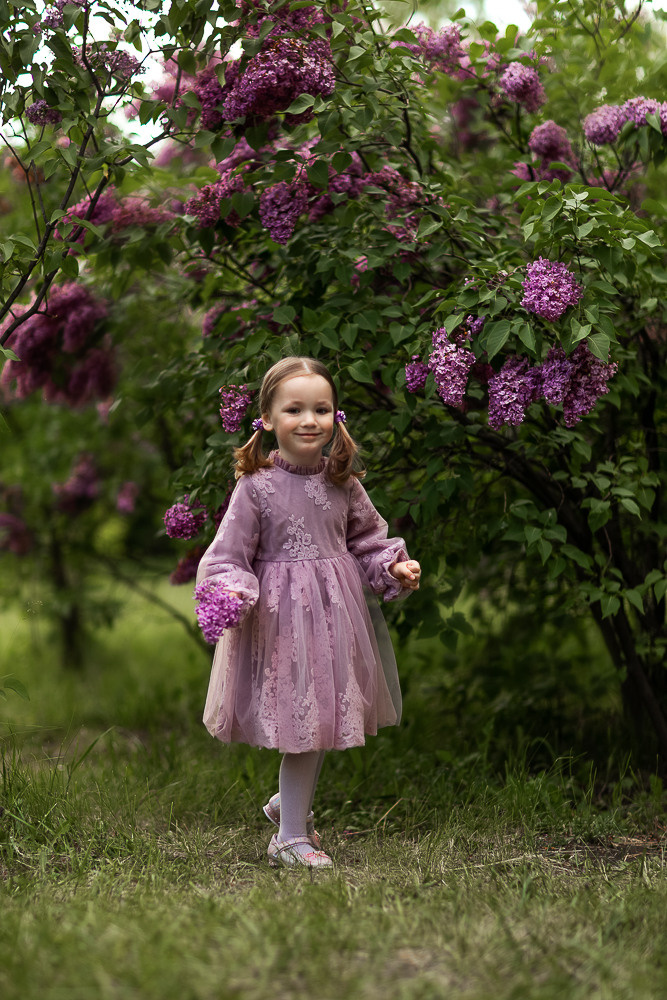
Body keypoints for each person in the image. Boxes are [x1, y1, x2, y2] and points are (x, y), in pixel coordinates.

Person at [196, 356, 421, 868]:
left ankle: (287, 809)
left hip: (333, 616)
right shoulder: (256, 485)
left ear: (336, 417)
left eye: (321, 408)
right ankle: (289, 840)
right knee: (303, 722)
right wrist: (231, 595)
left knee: (317, 718)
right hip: (279, 622)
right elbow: (228, 555)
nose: (308, 419)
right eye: (293, 409)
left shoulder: (341, 480)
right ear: (268, 419)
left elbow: (368, 538)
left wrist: (395, 567)